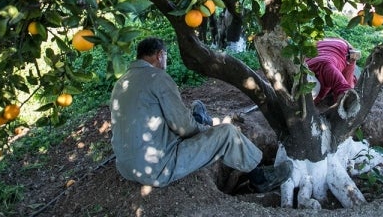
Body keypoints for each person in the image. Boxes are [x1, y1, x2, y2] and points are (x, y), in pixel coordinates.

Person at [110, 37, 292, 192]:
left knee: (197, 107)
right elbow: (183, 126)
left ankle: (202, 119)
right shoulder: (158, 78)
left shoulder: (122, 83)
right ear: (160, 55)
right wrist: (206, 130)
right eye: (166, 56)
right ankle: (260, 180)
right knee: (227, 133)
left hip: (126, 167)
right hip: (157, 168)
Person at [306, 37, 383, 105]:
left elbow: (345, 92)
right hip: (323, 42)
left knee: (351, 86)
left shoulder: (327, 68)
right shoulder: (301, 68)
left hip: (344, 50)